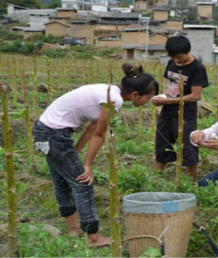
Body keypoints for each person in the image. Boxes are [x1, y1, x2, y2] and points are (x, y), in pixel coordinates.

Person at [32, 64, 158, 247]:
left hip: (45, 131)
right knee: (83, 183)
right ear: (135, 95)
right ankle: (93, 237)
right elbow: (99, 134)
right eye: (149, 97)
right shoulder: (114, 100)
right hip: (54, 134)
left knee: (62, 182)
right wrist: (88, 165)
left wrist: (74, 152)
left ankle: (75, 229)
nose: (149, 101)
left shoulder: (109, 91)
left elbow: (92, 127)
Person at [152, 35, 209, 177]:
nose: (176, 60)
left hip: (185, 112)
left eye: (179, 57)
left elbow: (195, 96)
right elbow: (171, 86)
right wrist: (164, 97)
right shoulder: (172, 63)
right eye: (173, 57)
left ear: (186, 51)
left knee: (187, 144)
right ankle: (156, 175)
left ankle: (189, 180)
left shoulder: (197, 68)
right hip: (167, 110)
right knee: (162, 141)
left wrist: (166, 101)